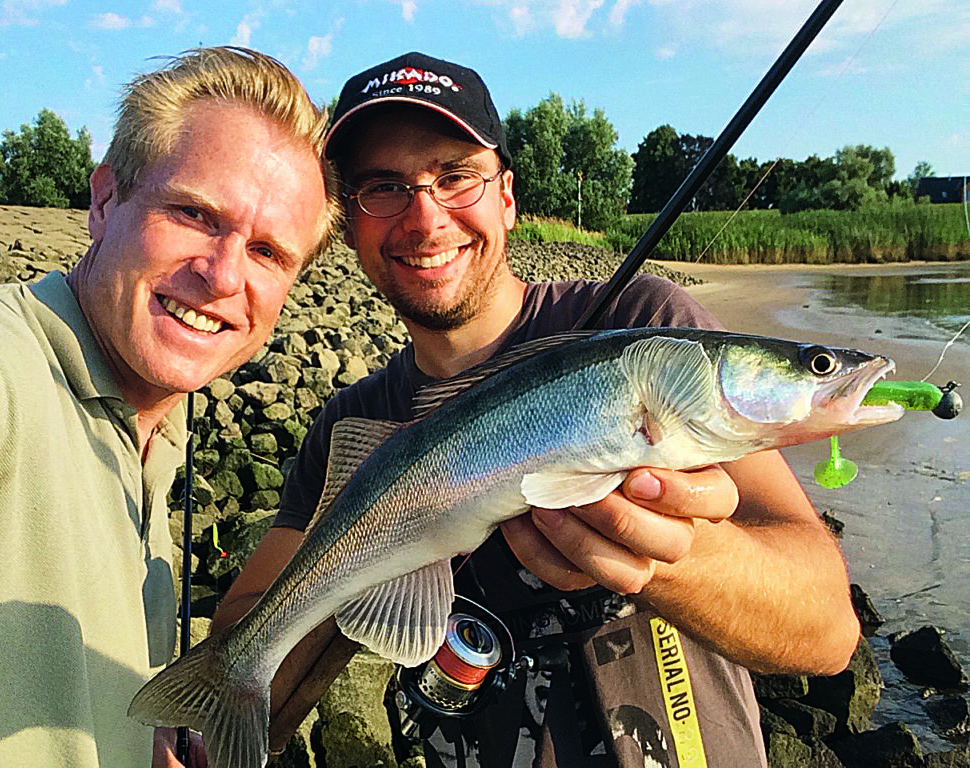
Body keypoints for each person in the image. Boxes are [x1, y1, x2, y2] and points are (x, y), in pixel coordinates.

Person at [212, 52, 860, 767]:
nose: (425, 218)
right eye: (384, 188)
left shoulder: (650, 329)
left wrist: (668, 555)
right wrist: (225, 696)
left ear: (508, 196)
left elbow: (828, 631)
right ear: (351, 223)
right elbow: (250, 631)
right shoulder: (352, 430)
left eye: (455, 175)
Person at [0, 47, 338, 768]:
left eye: (268, 253)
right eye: (192, 212)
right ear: (104, 202)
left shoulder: (155, 438)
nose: (222, 276)